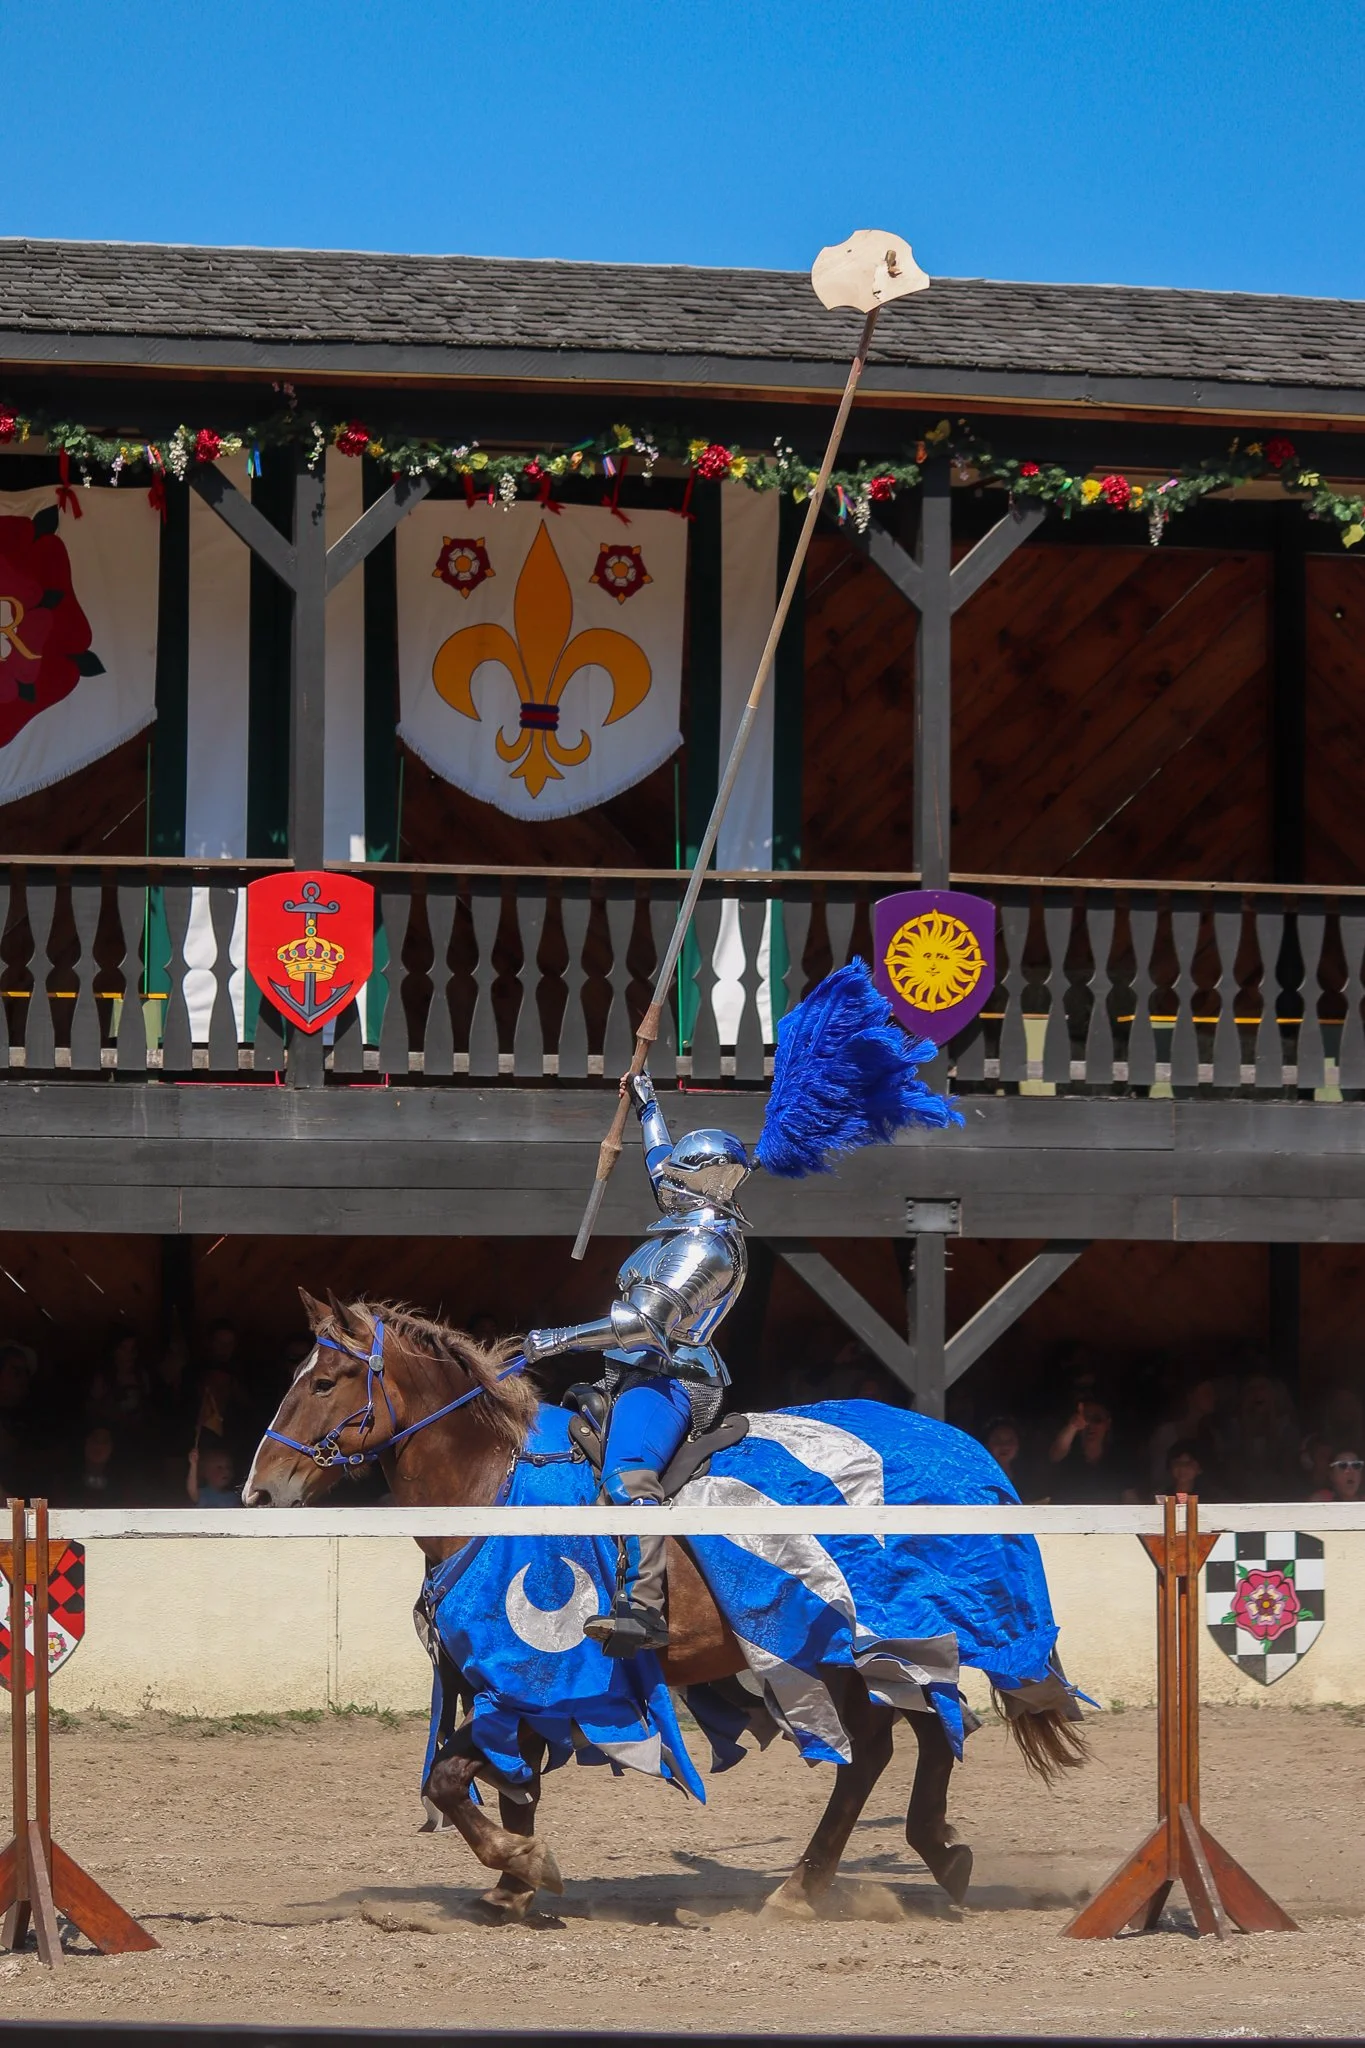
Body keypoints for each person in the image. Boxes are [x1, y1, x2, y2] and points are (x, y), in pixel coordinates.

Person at [523, 1069, 749, 1658]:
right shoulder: (688, 1220)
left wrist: (560, 1338)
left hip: (668, 1377)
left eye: (681, 1173)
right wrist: (648, 1102)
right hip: (633, 1368)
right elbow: (659, 1162)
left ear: (710, 1182)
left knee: (626, 1473)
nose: (666, 1177)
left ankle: (644, 1607)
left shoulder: (704, 1247)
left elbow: (643, 1325)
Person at [1046, 1397, 1134, 1504]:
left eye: (1097, 1419)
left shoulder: (1119, 1461)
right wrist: (1073, 1426)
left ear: (1108, 1423)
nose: (1090, 1425)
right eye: (1086, 1419)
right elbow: (1056, 1453)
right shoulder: (1069, 1455)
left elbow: (1129, 1498)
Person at [187, 1436, 242, 1507]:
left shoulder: (234, 1497)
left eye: (228, 1467)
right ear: (205, 1472)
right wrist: (193, 1464)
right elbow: (191, 1489)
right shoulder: (202, 1494)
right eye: (219, 1468)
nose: (226, 1471)